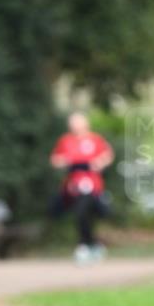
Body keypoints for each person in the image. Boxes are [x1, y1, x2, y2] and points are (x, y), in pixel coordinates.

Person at [50, 112, 114, 264]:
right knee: (78, 212)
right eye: (72, 123)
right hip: (72, 186)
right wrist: (65, 161)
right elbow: (55, 160)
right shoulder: (65, 141)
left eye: (77, 122)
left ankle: (85, 245)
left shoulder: (95, 139)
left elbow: (107, 155)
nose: (74, 125)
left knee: (83, 212)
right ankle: (91, 244)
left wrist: (99, 162)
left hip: (92, 186)